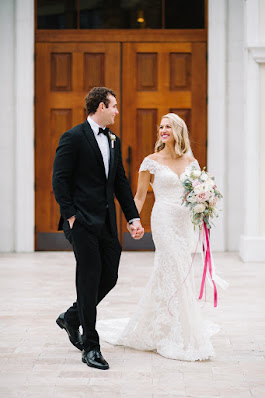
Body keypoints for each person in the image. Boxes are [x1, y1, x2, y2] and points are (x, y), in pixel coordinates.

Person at [98, 113, 218, 361]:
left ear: (178, 131)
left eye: (168, 127)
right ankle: (172, 332)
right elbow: (140, 196)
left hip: (185, 222)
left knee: (178, 270)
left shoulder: (191, 162)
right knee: (172, 264)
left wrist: (205, 203)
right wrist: (134, 221)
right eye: (161, 127)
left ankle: (168, 322)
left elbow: (198, 192)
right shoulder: (150, 162)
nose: (163, 130)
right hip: (163, 219)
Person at [52, 87, 144, 370]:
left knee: (110, 276)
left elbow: (120, 183)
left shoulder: (114, 140)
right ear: (101, 106)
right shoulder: (72, 137)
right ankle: (91, 346)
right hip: (80, 223)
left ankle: (71, 317)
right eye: (114, 106)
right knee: (89, 279)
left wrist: (132, 217)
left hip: (106, 222)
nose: (117, 111)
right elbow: (60, 179)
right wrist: (70, 217)